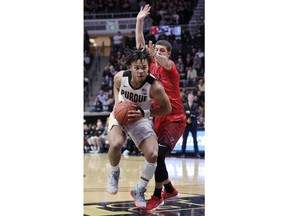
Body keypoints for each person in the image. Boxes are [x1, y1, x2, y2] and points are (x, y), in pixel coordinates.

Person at [135, 4, 187, 210]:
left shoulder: (170, 67)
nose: (157, 53)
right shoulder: (151, 66)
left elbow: (164, 62)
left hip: (175, 119)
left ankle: (158, 195)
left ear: (169, 53)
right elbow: (140, 45)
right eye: (156, 49)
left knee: (160, 156)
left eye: (161, 50)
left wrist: (155, 55)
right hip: (159, 118)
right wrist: (139, 21)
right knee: (153, 156)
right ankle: (170, 189)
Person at [107, 47, 172, 209]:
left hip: (141, 118)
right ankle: (114, 172)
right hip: (121, 114)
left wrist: (144, 112)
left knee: (153, 154)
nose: (141, 71)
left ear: (148, 67)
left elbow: (167, 109)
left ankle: (139, 190)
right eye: (137, 67)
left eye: (144, 67)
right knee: (115, 144)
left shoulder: (154, 86)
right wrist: (117, 103)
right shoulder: (120, 78)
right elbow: (115, 87)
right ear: (130, 67)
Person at [181, 92, 201, 158]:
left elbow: (196, 113)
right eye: (189, 97)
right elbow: (183, 113)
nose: (190, 98)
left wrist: (189, 112)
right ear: (188, 98)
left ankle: (197, 153)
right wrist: (191, 114)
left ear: (193, 98)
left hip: (193, 125)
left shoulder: (196, 105)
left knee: (195, 140)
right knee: (184, 140)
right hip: (186, 125)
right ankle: (183, 153)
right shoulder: (184, 105)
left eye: (192, 97)